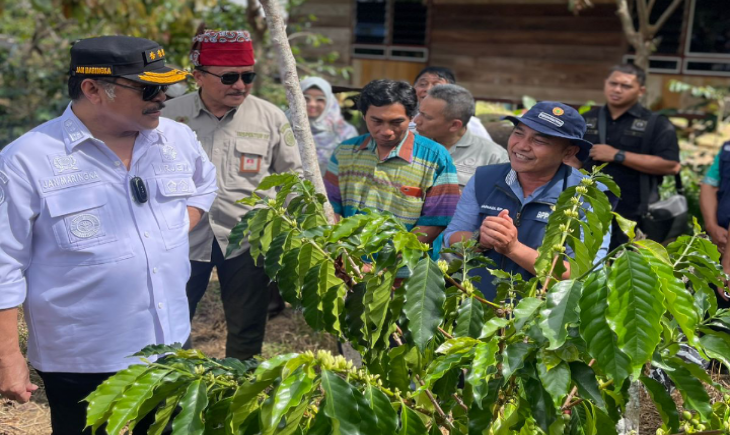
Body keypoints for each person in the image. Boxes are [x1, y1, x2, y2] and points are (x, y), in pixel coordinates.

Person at [0, 36, 217, 434]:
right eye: (150, 88)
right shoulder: (26, 161)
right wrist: (7, 356)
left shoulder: (176, 140)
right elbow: (3, 264)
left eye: (166, 86)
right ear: (93, 89)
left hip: (170, 347)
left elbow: (205, 184)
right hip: (84, 359)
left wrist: (175, 225)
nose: (163, 98)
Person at [162, 30, 302, 361]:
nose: (240, 85)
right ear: (198, 76)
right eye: (228, 77)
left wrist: (283, 232)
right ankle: (173, 386)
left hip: (247, 238)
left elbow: (294, 177)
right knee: (170, 317)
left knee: (248, 322)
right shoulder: (168, 116)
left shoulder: (270, 117)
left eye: (247, 76)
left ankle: (238, 391)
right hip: (179, 235)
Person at [443, 102, 611, 300]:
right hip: (478, 309)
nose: (521, 146)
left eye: (539, 141)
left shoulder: (588, 196)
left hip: (540, 318)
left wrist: (514, 249)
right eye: (518, 133)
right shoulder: (485, 179)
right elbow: (451, 238)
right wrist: (480, 239)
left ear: (568, 153)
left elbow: (582, 273)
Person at [324, 79, 460, 245]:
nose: (386, 131)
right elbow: (331, 208)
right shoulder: (344, 152)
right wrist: (344, 256)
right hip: (347, 262)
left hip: (404, 267)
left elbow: (436, 221)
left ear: (411, 118)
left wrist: (388, 262)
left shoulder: (436, 157)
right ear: (364, 115)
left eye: (396, 122)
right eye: (377, 121)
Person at [582, 64, 680, 249]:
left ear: (641, 91)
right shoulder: (587, 119)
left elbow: (671, 165)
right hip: (586, 209)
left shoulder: (656, 124)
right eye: (613, 83)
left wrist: (617, 155)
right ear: (605, 84)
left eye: (626, 86)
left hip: (633, 215)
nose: (617, 89)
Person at [415, 84, 508, 188]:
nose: (416, 120)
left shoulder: (493, 158)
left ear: (454, 125)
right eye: (419, 113)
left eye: (427, 117)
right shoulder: (407, 143)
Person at [410, 66, 494, 142]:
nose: (428, 89)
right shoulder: (405, 119)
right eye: (422, 84)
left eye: (437, 86)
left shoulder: (470, 124)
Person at [295, 77, 358, 172]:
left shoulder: (345, 133)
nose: (312, 104)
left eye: (320, 99)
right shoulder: (285, 126)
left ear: (329, 101)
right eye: (306, 98)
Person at [699, 143, 730, 307]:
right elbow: (709, 185)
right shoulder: (727, 149)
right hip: (720, 246)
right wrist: (712, 226)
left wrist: (728, 267)